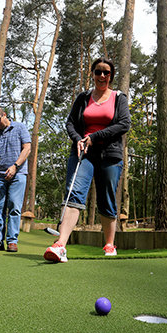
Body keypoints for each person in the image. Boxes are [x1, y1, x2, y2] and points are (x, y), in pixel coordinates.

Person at [44, 57, 131, 263]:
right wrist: (78, 140)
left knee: (106, 199)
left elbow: (124, 124)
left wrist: (95, 137)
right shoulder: (83, 98)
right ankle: (60, 246)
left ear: (111, 76)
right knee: (74, 194)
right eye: (98, 71)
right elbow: (71, 123)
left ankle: (109, 244)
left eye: (106, 72)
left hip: (109, 154)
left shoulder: (119, 97)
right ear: (92, 74)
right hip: (83, 153)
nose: (102, 75)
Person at [0, 107, 31, 252]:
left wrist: (15, 166)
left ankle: (12, 241)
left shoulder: (20, 127)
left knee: (14, 207)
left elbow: (27, 148)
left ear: (4, 115)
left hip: (18, 174)